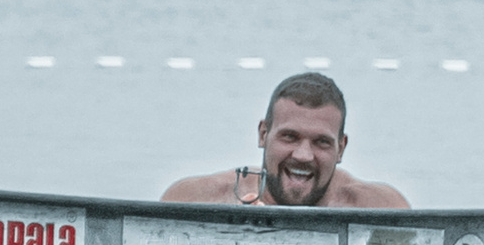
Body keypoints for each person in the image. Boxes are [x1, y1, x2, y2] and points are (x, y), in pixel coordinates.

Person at [159, 72, 410, 209]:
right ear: (263, 134)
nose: (303, 155)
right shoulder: (194, 200)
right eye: (289, 137)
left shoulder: (381, 209)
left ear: (341, 148)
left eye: (321, 142)